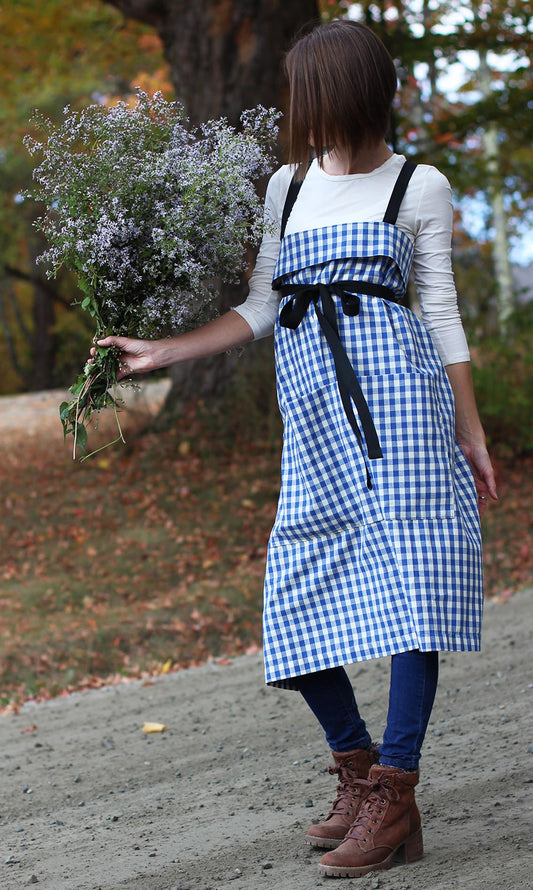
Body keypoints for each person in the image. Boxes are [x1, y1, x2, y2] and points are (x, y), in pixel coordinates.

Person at [93, 20, 497, 879]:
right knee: (297, 587)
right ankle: (356, 770)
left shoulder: (418, 184)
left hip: (404, 413)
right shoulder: (287, 186)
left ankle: (393, 791)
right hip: (313, 417)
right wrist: (164, 350)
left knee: (414, 581)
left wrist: (468, 427)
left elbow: (439, 309)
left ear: (343, 93)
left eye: (307, 97)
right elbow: (262, 304)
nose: (296, 114)